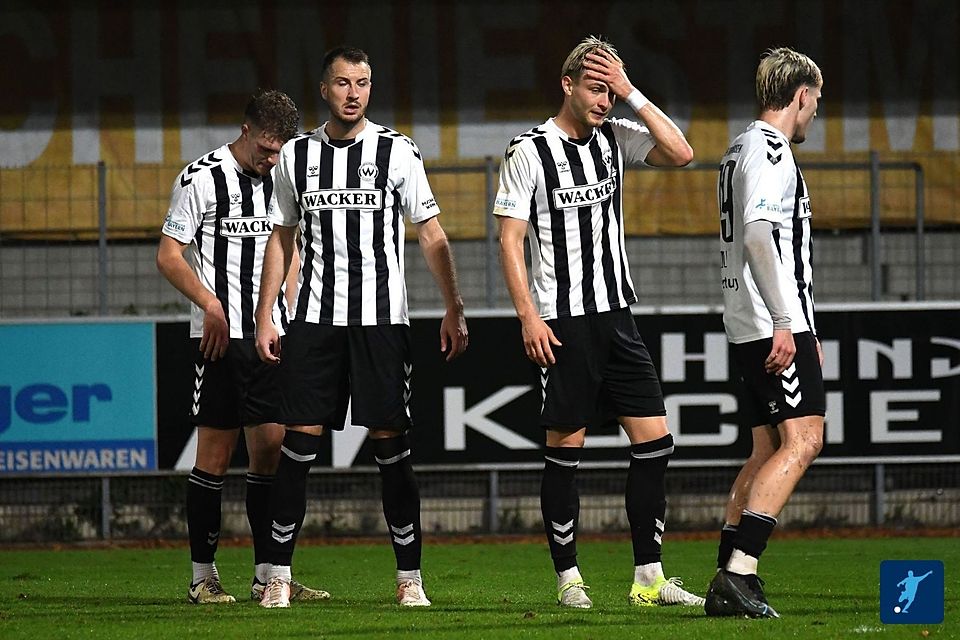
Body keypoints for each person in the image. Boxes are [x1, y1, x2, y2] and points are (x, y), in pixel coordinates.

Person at [253, 46, 468, 609]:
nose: (354, 92)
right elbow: (282, 239)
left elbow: (430, 232)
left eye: (364, 82)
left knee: (391, 447)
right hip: (315, 324)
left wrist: (454, 305)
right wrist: (265, 314)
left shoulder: (397, 152)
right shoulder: (295, 158)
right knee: (298, 445)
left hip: (380, 324)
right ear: (324, 90)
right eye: (344, 83)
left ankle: (409, 579)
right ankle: (276, 574)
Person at [494, 35, 703, 610]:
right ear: (567, 85)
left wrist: (631, 91)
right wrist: (528, 317)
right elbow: (510, 237)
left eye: (609, 90)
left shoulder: (613, 138)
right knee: (566, 451)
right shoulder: (530, 149)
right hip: (562, 322)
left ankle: (649, 578)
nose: (604, 101)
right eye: (595, 88)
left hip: (616, 317)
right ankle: (569, 578)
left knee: (655, 446)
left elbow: (682, 154)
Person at [158, 89, 329, 604]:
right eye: (267, 147)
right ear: (247, 129)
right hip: (219, 341)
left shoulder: (284, 178)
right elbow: (169, 255)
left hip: (271, 336)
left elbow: (292, 243)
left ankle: (269, 575)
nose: (273, 158)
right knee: (213, 456)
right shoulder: (201, 178)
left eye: (281, 149)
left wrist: (292, 298)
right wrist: (211, 305)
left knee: (271, 454)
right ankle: (202, 577)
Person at [706, 47, 825, 619]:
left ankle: (724, 577)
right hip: (769, 321)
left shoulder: (738, 147)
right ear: (801, 95)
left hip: (746, 321)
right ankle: (740, 572)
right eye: (816, 103)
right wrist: (787, 321)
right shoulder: (772, 149)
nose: (814, 115)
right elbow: (759, 237)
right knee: (804, 440)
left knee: (766, 447)